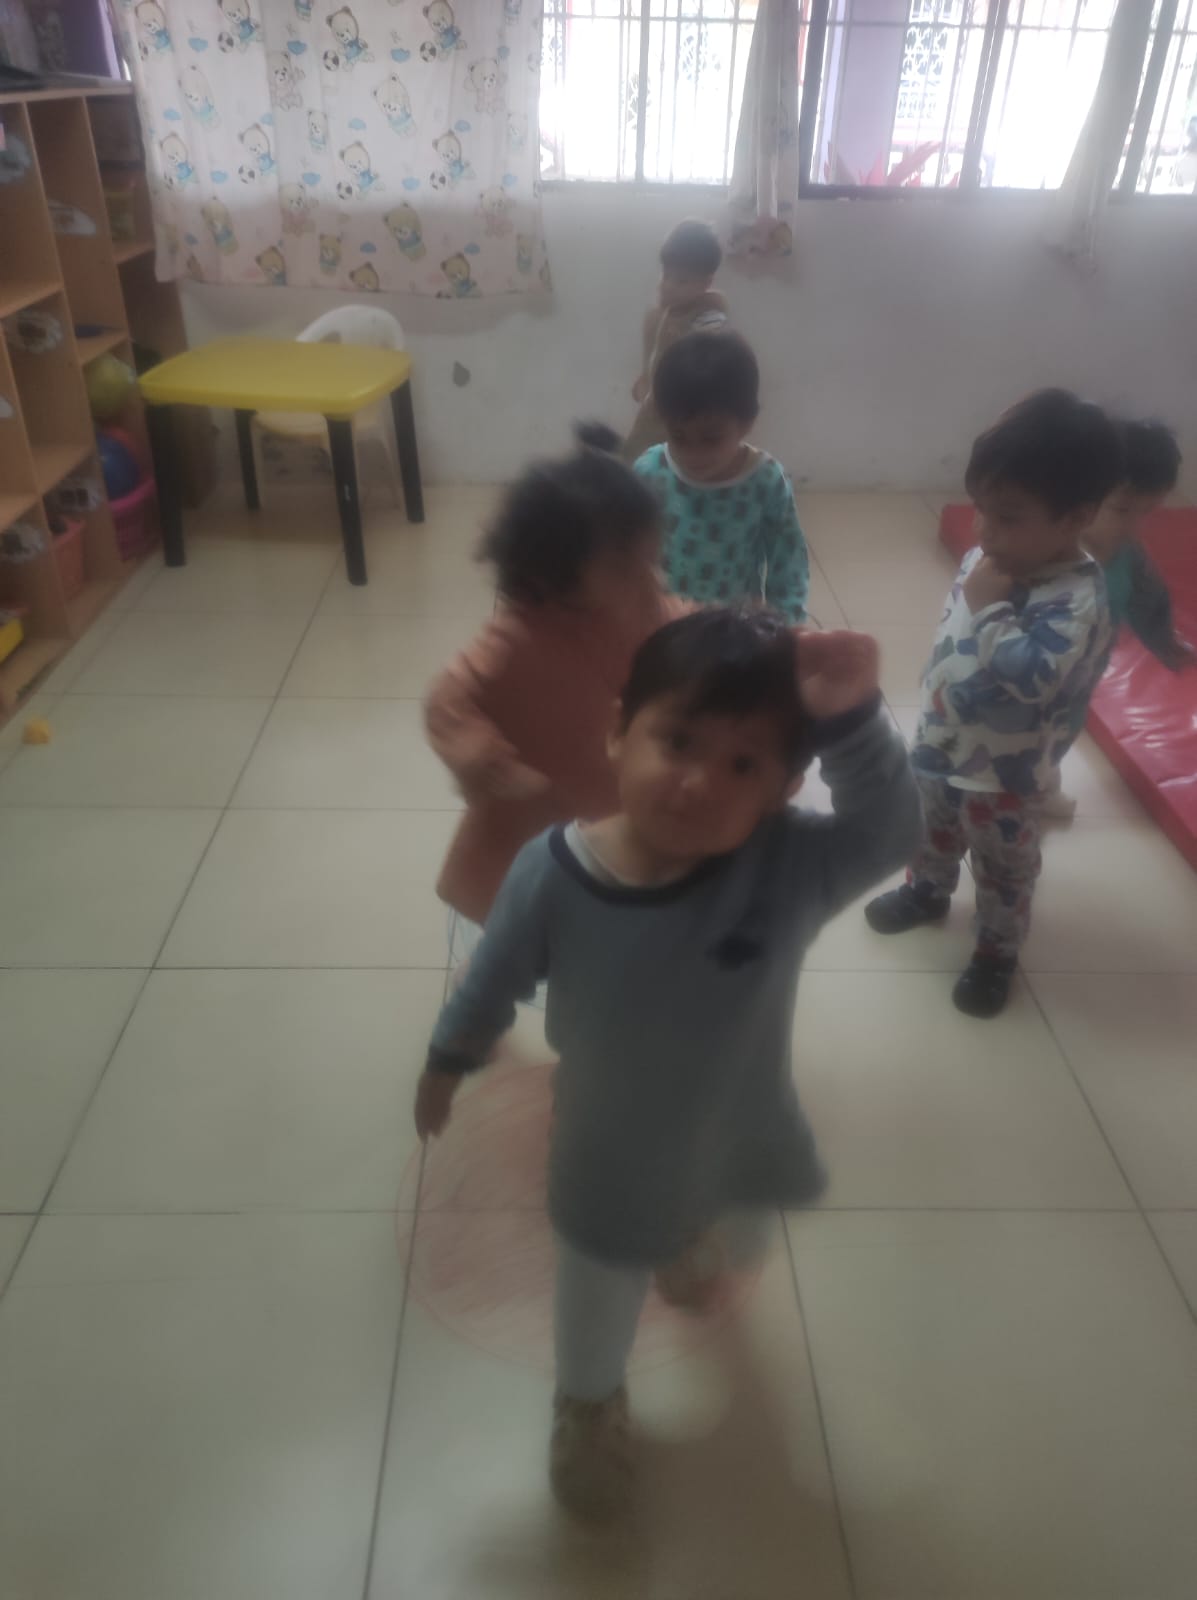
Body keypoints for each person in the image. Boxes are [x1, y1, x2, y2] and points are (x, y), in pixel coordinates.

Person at [414, 609, 921, 1519]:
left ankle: (686, 1242)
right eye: (678, 740)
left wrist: (851, 721)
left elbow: (889, 835)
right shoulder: (551, 873)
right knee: (596, 1300)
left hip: (741, 1134)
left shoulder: (785, 869)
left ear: (783, 788)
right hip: (604, 1154)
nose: (697, 782)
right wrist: (449, 1056)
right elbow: (493, 976)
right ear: (618, 732)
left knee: (735, 1242)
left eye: (742, 764)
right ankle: (588, 1403)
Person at [865, 389, 1122, 1018]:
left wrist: (989, 611)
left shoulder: (1077, 599)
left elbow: (1034, 678)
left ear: (1076, 517)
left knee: (1004, 866)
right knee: (930, 829)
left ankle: (996, 951)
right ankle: (927, 890)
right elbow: (956, 637)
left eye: (1007, 516)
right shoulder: (994, 555)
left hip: (1006, 774)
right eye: (981, 509)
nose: (983, 531)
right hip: (942, 739)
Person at [424, 424, 680, 932]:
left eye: (651, 560)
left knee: (603, 915)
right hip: (531, 817)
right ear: (552, 571)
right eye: (624, 565)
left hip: (612, 803)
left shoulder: (642, 601)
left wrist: (745, 641)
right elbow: (448, 700)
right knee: (519, 926)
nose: (647, 577)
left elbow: (682, 627)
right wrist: (481, 755)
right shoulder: (517, 636)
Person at [1041, 417, 1193, 820]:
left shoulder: (1128, 556)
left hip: (1081, 675)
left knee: (1062, 732)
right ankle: (1014, 790)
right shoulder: (1049, 552)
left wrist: (1166, 643)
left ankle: (1043, 781)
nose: (1133, 524)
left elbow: (1148, 601)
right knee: (1019, 739)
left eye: (1147, 512)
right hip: (1030, 675)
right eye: (1122, 509)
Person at [633, 331, 810, 623]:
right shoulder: (650, 471)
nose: (693, 454)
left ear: (746, 424)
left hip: (733, 627)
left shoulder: (765, 480)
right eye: (678, 436)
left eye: (711, 438)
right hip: (666, 623)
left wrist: (786, 625)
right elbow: (631, 551)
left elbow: (788, 562)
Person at [623, 218, 729, 464]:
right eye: (666, 275)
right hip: (655, 404)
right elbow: (656, 352)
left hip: (686, 409)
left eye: (681, 281)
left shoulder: (708, 317)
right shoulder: (663, 313)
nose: (669, 285)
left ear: (706, 284)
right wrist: (645, 377)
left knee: (675, 458)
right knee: (639, 454)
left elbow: (706, 360)